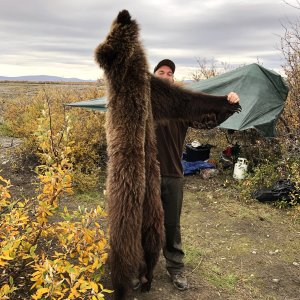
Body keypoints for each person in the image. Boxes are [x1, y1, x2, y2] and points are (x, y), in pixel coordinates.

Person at [153, 59, 239, 291]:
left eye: (170, 73)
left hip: (172, 173)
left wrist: (228, 104)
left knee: (171, 225)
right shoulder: (141, 103)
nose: (165, 75)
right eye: (161, 72)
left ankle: (176, 268)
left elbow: (206, 120)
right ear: (153, 76)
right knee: (144, 224)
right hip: (145, 175)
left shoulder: (181, 105)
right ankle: (141, 269)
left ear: (173, 78)